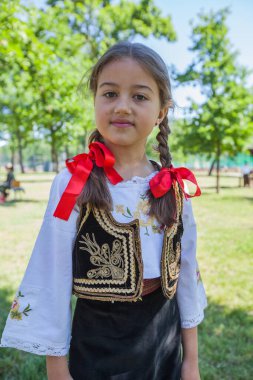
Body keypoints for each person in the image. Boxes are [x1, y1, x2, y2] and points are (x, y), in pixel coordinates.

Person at [0, 42, 207, 380]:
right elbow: (52, 275)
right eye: (110, 94)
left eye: (139, 96)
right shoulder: (74, 183)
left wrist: (191, 362)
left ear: (161, 112)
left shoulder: (173, 184)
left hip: (163, 339)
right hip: (99, 343)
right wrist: (57, 370)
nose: (123, 107)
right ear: (95, 100)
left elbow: (186, 273)